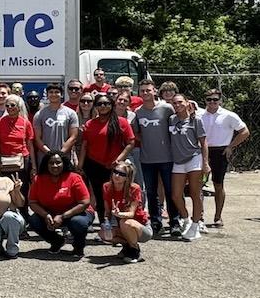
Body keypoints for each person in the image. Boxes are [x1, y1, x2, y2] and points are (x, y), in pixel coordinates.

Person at [77, 94, 135, 220]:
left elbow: (131, 143)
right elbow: (84, 146)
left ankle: (120, 223)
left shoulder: (122, 122)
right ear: (95, 107)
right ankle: (104, 223)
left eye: (106, 104)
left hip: (114, 167)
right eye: (99, 104)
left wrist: (119, 159)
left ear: (111, 105)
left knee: (117, 194)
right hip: (93, 165)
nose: (103, 106)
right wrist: (80, 166)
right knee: (100, 195)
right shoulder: (90, 124)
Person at [26, 151, 93, 258]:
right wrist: (45, 215)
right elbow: (32, 202)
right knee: (34, 220)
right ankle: (57, 241)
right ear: (46, 165)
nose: (54, 166)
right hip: (51, 214)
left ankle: (78, 246)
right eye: (51, 163)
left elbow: (85, 202)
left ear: (64, 163)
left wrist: (63, 216)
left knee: (78, 223)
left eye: (58, 162)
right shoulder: (38, 179)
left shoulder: (74, 177)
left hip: (77, 213)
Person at [199, 89, 249, 228]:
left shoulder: (229, 115)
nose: (212, 102)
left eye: (215, 99)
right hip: (204, 152)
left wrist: (231, 146)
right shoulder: (199, 115)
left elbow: (244, 131)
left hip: (220, 152)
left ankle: (218, 216)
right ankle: (199, 215)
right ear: (205, 101)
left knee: (218, 184)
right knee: (200, 184)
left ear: (220, 100)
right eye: (209, 99)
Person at [132, 79, 175, 234]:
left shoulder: (167, 108)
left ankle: (174, 222)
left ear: (155, 91)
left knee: (171, 192)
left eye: (148, 90)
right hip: (147, 159)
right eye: (142, 90)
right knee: (151, 192)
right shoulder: (138, 112)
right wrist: (147, 140)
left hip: (167, 158)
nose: (145, 93)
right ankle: (156, 222)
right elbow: (135, 133)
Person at [168, 94, 209, 241]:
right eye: (174, 103)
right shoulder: (172, 119)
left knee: (195, 193)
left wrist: (205, 163)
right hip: (178, 161)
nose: (177, 105)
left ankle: (196, 224)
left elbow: (203, 142)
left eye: (180, 102)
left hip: (194, 159)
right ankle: (186, 219)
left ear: (187, 103)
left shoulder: (196, 120)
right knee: (176, 195)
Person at [0, 93, 36, 219]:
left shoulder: (26, 123)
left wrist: (34, 166)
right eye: (7, 105)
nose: (9, 107)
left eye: (12, 105)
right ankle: (6, 217)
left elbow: (30, 145)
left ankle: (24, 217)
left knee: (22, 189)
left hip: (22, 160)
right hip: (5, 161)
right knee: (5, 189)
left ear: (19, 107)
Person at [99, 160, 152, 263]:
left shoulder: (134, 188)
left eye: (122, 174)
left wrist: (119, 214)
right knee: (103, 234)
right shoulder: (106, 187)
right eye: (115, 171)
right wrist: (106, 223)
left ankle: (135, 251)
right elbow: (107, 211)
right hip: (123, 227)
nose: (117, 175)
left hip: (141, 227)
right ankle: (127, 245)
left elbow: (131, 213)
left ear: (127, 178)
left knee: (125, 222)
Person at [33, 82, 79, 164]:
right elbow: (37, 138)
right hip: (45, 158)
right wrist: (50, 154)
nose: (53, 94)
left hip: (65, 157)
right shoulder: (39, 114)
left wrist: (61, 154)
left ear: (61, 95)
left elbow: (73, 137)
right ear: (47, 95)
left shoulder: (71, 113)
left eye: (56, 92)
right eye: (51, 92)